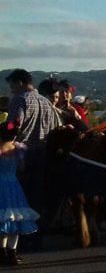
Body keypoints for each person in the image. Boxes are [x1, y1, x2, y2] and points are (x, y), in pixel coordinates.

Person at [6, 69, 59, 235]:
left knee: (20, 197)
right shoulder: (46, 102)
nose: (11, 89)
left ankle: (19, 234)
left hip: (21, 154)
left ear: (20, 82)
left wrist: (4, 128)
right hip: (42, 154)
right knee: (37, 195)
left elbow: (14, 126)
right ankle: (37, 232)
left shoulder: (19, 99)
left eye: (12, 85)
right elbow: (54, 129)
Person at [0, 113, 39, 266]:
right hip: (14, 185)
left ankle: (1, 252)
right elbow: (22, 167)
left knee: (3, 220)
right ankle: (12, 253)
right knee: (16, 217)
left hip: (1, 186)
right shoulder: (18, 150)